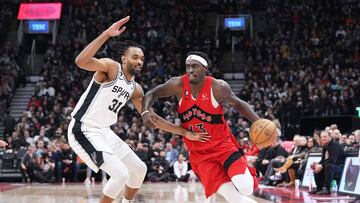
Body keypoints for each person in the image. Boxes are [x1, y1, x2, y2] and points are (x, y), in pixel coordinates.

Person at [68, 17, 209, 203]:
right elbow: (81, 61)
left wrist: (184, 132)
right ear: (123, 58)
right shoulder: (111, 67)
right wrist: (106, 34)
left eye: (142, 58)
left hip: (104, 132)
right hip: (83, 128)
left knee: (139, 169)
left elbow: (153, 119)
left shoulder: (135, 89)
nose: (139, 61)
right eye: (135, 57)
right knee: (120, 174)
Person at [142, 51, 263, 203]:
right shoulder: (177, 84)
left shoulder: (218, 87)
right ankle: (230, 179)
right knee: (233, 197)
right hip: (199, 154)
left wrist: (258, 121)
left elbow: (238, 103)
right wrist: (145, 111)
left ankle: (243, 175)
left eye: (195, 66)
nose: (190, 70)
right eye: (188, 67)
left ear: (205, 68)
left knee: (246, 188)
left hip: (222, 146)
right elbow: (151, 94)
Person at [310, 130, 345, 195]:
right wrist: (317, 164)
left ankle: (327, 188)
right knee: (316, 167)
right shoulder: (325, 145)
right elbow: (323, 159)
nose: (323, 138)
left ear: (330, 137)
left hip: (340, 166)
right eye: (322, 137)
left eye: (325, 136)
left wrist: (321, 166)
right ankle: (319, 188)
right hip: (331, 165)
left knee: (328, 166)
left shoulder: (335, 145)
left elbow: (333, 160)